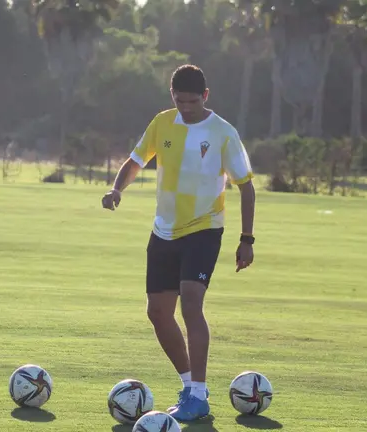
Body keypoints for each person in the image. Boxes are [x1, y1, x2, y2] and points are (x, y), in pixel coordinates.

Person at [101, 64, 256, 422]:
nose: (185, 107)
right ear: (172, 96)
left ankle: (199, 395)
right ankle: (189, 386)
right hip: (163, 231)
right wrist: (116, 188)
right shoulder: (162, 122)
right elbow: (137, 160)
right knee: (157, 312)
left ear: (205, 96)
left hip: (203, 230)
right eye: (178, 100)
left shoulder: (223, 133)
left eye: (191, 101)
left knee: (190, 305)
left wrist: (246, 239)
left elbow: (246, 187)